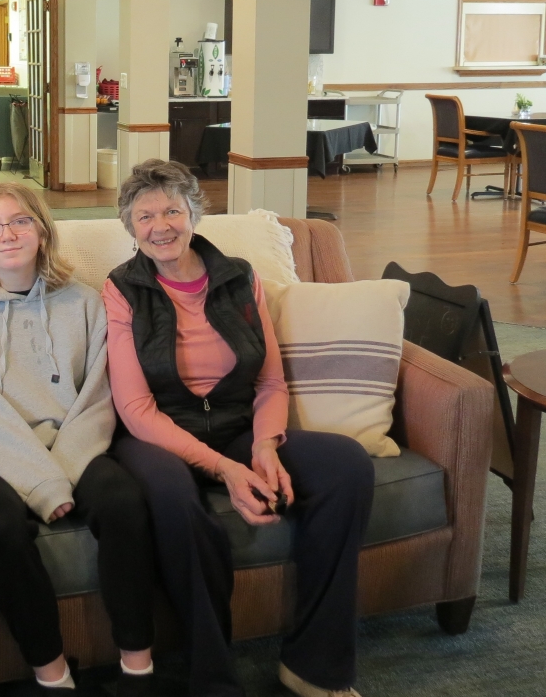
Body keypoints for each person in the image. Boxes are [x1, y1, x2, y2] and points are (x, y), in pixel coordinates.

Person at [102, 160, 375, 697]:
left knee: (346, 466)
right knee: (177, 505)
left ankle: (313, 667)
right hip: (157, 436)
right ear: (130, 226)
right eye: (145, 216)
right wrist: (226, 469)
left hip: (237, 423)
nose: (161, 226)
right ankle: (212, 680)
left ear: (194, 213)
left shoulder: (239, 276)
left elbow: (270, 381)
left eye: (173, 211)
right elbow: (135, 408)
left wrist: (266, 447)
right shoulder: (122, 288)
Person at [0, 182, 156, 697]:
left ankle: (138, 666)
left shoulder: (85, 302)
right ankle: (52, 674)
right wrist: (45, 485)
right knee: (0, 527)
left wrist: (64, 468)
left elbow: (97, 396)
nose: (6, 234)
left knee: (123, 502)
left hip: (73, 443)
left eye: (20, 221)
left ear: (43, 231)